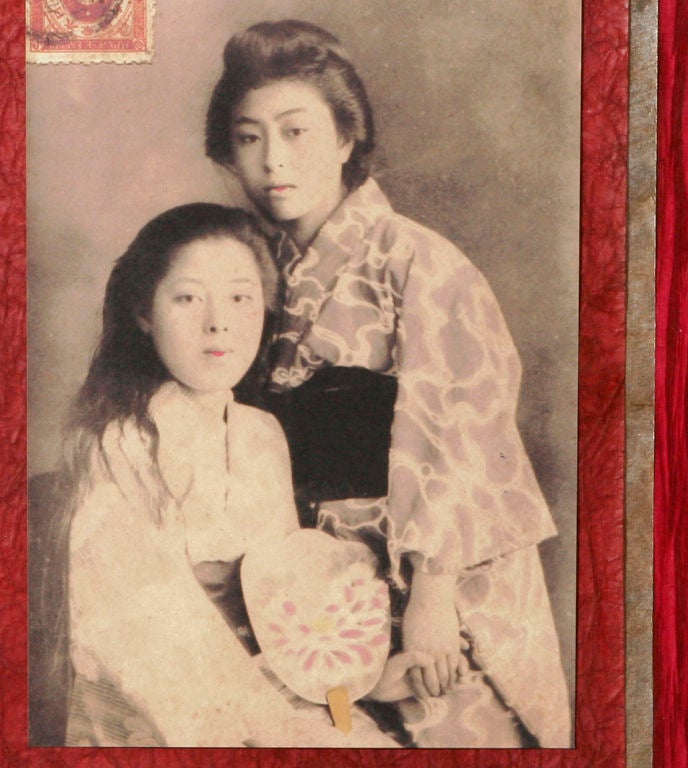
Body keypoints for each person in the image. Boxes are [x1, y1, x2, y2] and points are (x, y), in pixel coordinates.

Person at [205, 20, 572, 748]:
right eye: (250, 138)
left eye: (297, 131)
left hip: (428, 563)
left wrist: (433, 591)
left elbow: (466, 424)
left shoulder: (418, 263)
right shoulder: (248, 271)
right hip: (304, 578)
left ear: (346, 138)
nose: (274, 159)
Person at [55, 203, 398, 747]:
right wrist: (270, 727)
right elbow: (137, 635)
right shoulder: (118, 442)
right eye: (188, 298)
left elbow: (294, 620)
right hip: (168, 705)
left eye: (241, 298)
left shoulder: (261, 435)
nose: (218, 322)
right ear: (144, 313)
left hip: (268, 692)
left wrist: (353, 695)